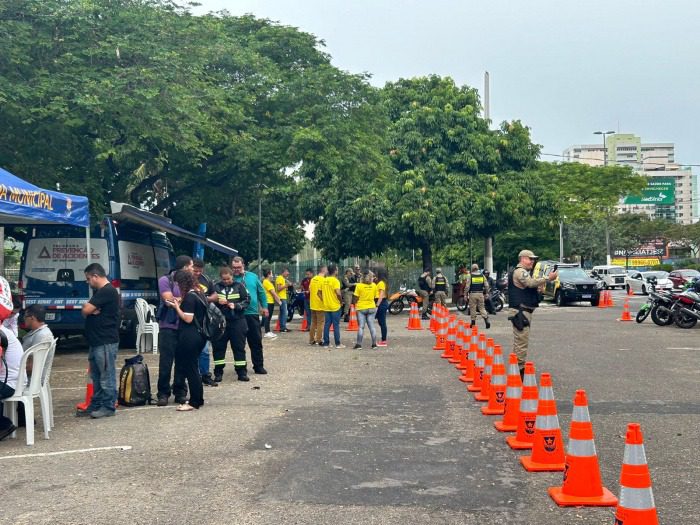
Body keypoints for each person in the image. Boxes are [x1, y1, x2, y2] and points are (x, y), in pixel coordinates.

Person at [78, 263, 120, 418]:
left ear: (95, 276)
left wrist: (89, 309)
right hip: (96, 340)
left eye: (89, 279)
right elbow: (87, 311)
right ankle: (96, 403)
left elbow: (86, 310)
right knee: (96, 376)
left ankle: (108, 405)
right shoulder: (100, 292)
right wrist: (89, 310)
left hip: (105, 340)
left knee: (106, 374)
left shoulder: (107, 291)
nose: (88, 282)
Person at [508, 249, 558, 377]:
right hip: (521, 312)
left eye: (533, 259)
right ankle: (519, 373)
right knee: (521, 342)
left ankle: (516, 369)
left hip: (523, 311)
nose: (533, 261)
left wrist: (539, 291)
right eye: (530, 259)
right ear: (522, 258)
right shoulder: (520, 272)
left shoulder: (524, 272)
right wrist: (548, 278)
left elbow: (529, 289)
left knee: (520, 341)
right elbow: (530, 283)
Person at [155, 255, 193, 406]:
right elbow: (169, 300)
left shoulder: (191, 282)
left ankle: (180, 392)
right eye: (190, 266)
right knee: (166, 362)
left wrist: (179, 299)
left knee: (182, 361)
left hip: (185, 327)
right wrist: (184, 299)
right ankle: (163, 393)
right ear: (184, 267)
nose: (192, 269)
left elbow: (195, 298)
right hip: (168, 326)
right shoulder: (165, 280)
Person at [169, 270, 206, 411]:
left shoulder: (190, 297)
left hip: (190, 335)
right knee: (193, 367)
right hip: (199, 335)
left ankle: (194, 402)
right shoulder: (199, 293)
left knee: (191, 369)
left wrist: (176, 307)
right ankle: (198, 398)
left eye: (178, 283)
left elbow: (188, 318)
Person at [212, 266, 251, 382]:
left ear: (232, 277)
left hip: (237, 321)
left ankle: (241, 372)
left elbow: (247, 300)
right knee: (218, 348)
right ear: (220, 278)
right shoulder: (216, 287)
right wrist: (217, 301)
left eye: (228, 279)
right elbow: (208, 300)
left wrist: (237, 306)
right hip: (220, 322)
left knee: (239, 347)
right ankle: (218, 373)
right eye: (224, 279)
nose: (226, 281)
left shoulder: (239, 286)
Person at [231, 257, 268, 375]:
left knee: (256, 341)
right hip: (237, 315)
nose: (236, 270)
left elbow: (261, 292)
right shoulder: (229, 279)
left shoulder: (252, 277)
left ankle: (258, 366)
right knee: (238, 343)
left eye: (239, 267)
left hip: (251, 314)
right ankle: (241, 369)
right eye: (234, 268)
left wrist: (265, 306)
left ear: (244, 266)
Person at [192, 259, 218, 387]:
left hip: (204, 320)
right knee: (192, 349)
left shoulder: (206, 279)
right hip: (190, 318)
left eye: (199, 271)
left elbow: (215, 296)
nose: (197, 273)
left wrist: (204, 298)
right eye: (195, 270)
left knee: (205, 350)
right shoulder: (186, 279)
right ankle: (192, 375)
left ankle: (205, 375)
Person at [0, 325, 25, 440]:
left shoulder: (2, 334)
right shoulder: (5, 331)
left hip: (9, 382)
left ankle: (3, 425)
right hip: (13, 379)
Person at [352, 270, 378, 349]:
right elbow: (376, 297)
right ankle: (374, 344)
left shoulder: (359, 285)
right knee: (372, 326)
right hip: (371, 307)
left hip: (361, 308)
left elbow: (355, 297)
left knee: (361, 327)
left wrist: (354, 304)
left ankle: (359, 345)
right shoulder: (374, 285)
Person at [321, 264, 345, 348]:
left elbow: (318, 293)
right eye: (337, 270)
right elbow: (338, 293)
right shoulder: (335, 281)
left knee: (327, 324)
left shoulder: (324, 280)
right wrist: (341, 301)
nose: (337, 271)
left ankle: (326, 343)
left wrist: (324, 299)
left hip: (326, 306)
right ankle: (338, 343)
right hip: (335, 306)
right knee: (336, 325)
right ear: (335, 271)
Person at [465, 263, 490, 329]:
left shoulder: (470, 276)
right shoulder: (482, 276)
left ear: (472, 269)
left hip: (472, 294)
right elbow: (487, 286)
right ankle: (486, 320)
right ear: (478, 268)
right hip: (480, 294)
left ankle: (473, 323)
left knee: (472, 308)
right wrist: (487, 293)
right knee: (482, 308)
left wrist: (465, 295)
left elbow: (467, 287)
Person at [308, 265, 327, 345]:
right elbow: (323, 292)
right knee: (320, 322)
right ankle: (319, 339)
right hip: (320, 304)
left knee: (313, 322)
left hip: (312, 303)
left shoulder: (313, 279)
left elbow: (310, 289)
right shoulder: (323, 280)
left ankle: (311, 339)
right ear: (324, 270)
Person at [261, 269, 280, 339]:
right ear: (268, 274)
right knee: (267, 317)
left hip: (270, 301)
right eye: (271, 273)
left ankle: (268, 331)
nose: (272, 275)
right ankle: (267, 332)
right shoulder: (266, 282)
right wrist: (279, 301)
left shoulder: (267, 282)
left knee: (268, 317)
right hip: (268, 302)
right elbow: (273, 293)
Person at [375, 268, 389, 347]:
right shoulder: (383, 282)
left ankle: (384, 340)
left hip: (381, 303)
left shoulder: (381, 283)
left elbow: (381, 295)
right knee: (381, 322)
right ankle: (383, 339)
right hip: (382, 303)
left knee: (382, 322)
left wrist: (377, 304)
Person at [275, 267, 291, 333]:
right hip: (281, 297)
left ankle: (282, 327)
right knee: (284, 313)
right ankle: (283, 327)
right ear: (283, 272)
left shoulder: (283, 279)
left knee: (282, 313)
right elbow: (278, 288)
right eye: (287, 272)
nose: (288, 273)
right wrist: (286, 285)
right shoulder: (280, 278)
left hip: (283, 297)